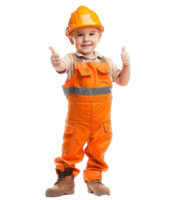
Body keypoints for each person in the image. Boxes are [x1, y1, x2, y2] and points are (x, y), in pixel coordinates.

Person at [44, 5, 132, 198]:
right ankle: (65, 182)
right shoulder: (70, 59)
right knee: (69, 151)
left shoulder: (108, 62)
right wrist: (55, 59)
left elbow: (123, 82)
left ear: (99, 37)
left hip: (102, 122)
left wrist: (127, 64)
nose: (86, 39)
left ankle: (95, 180)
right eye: (80, 34)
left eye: (91, 33)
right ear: (70, 39)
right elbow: (59, 66)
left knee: (98, 152)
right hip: (77, 122)